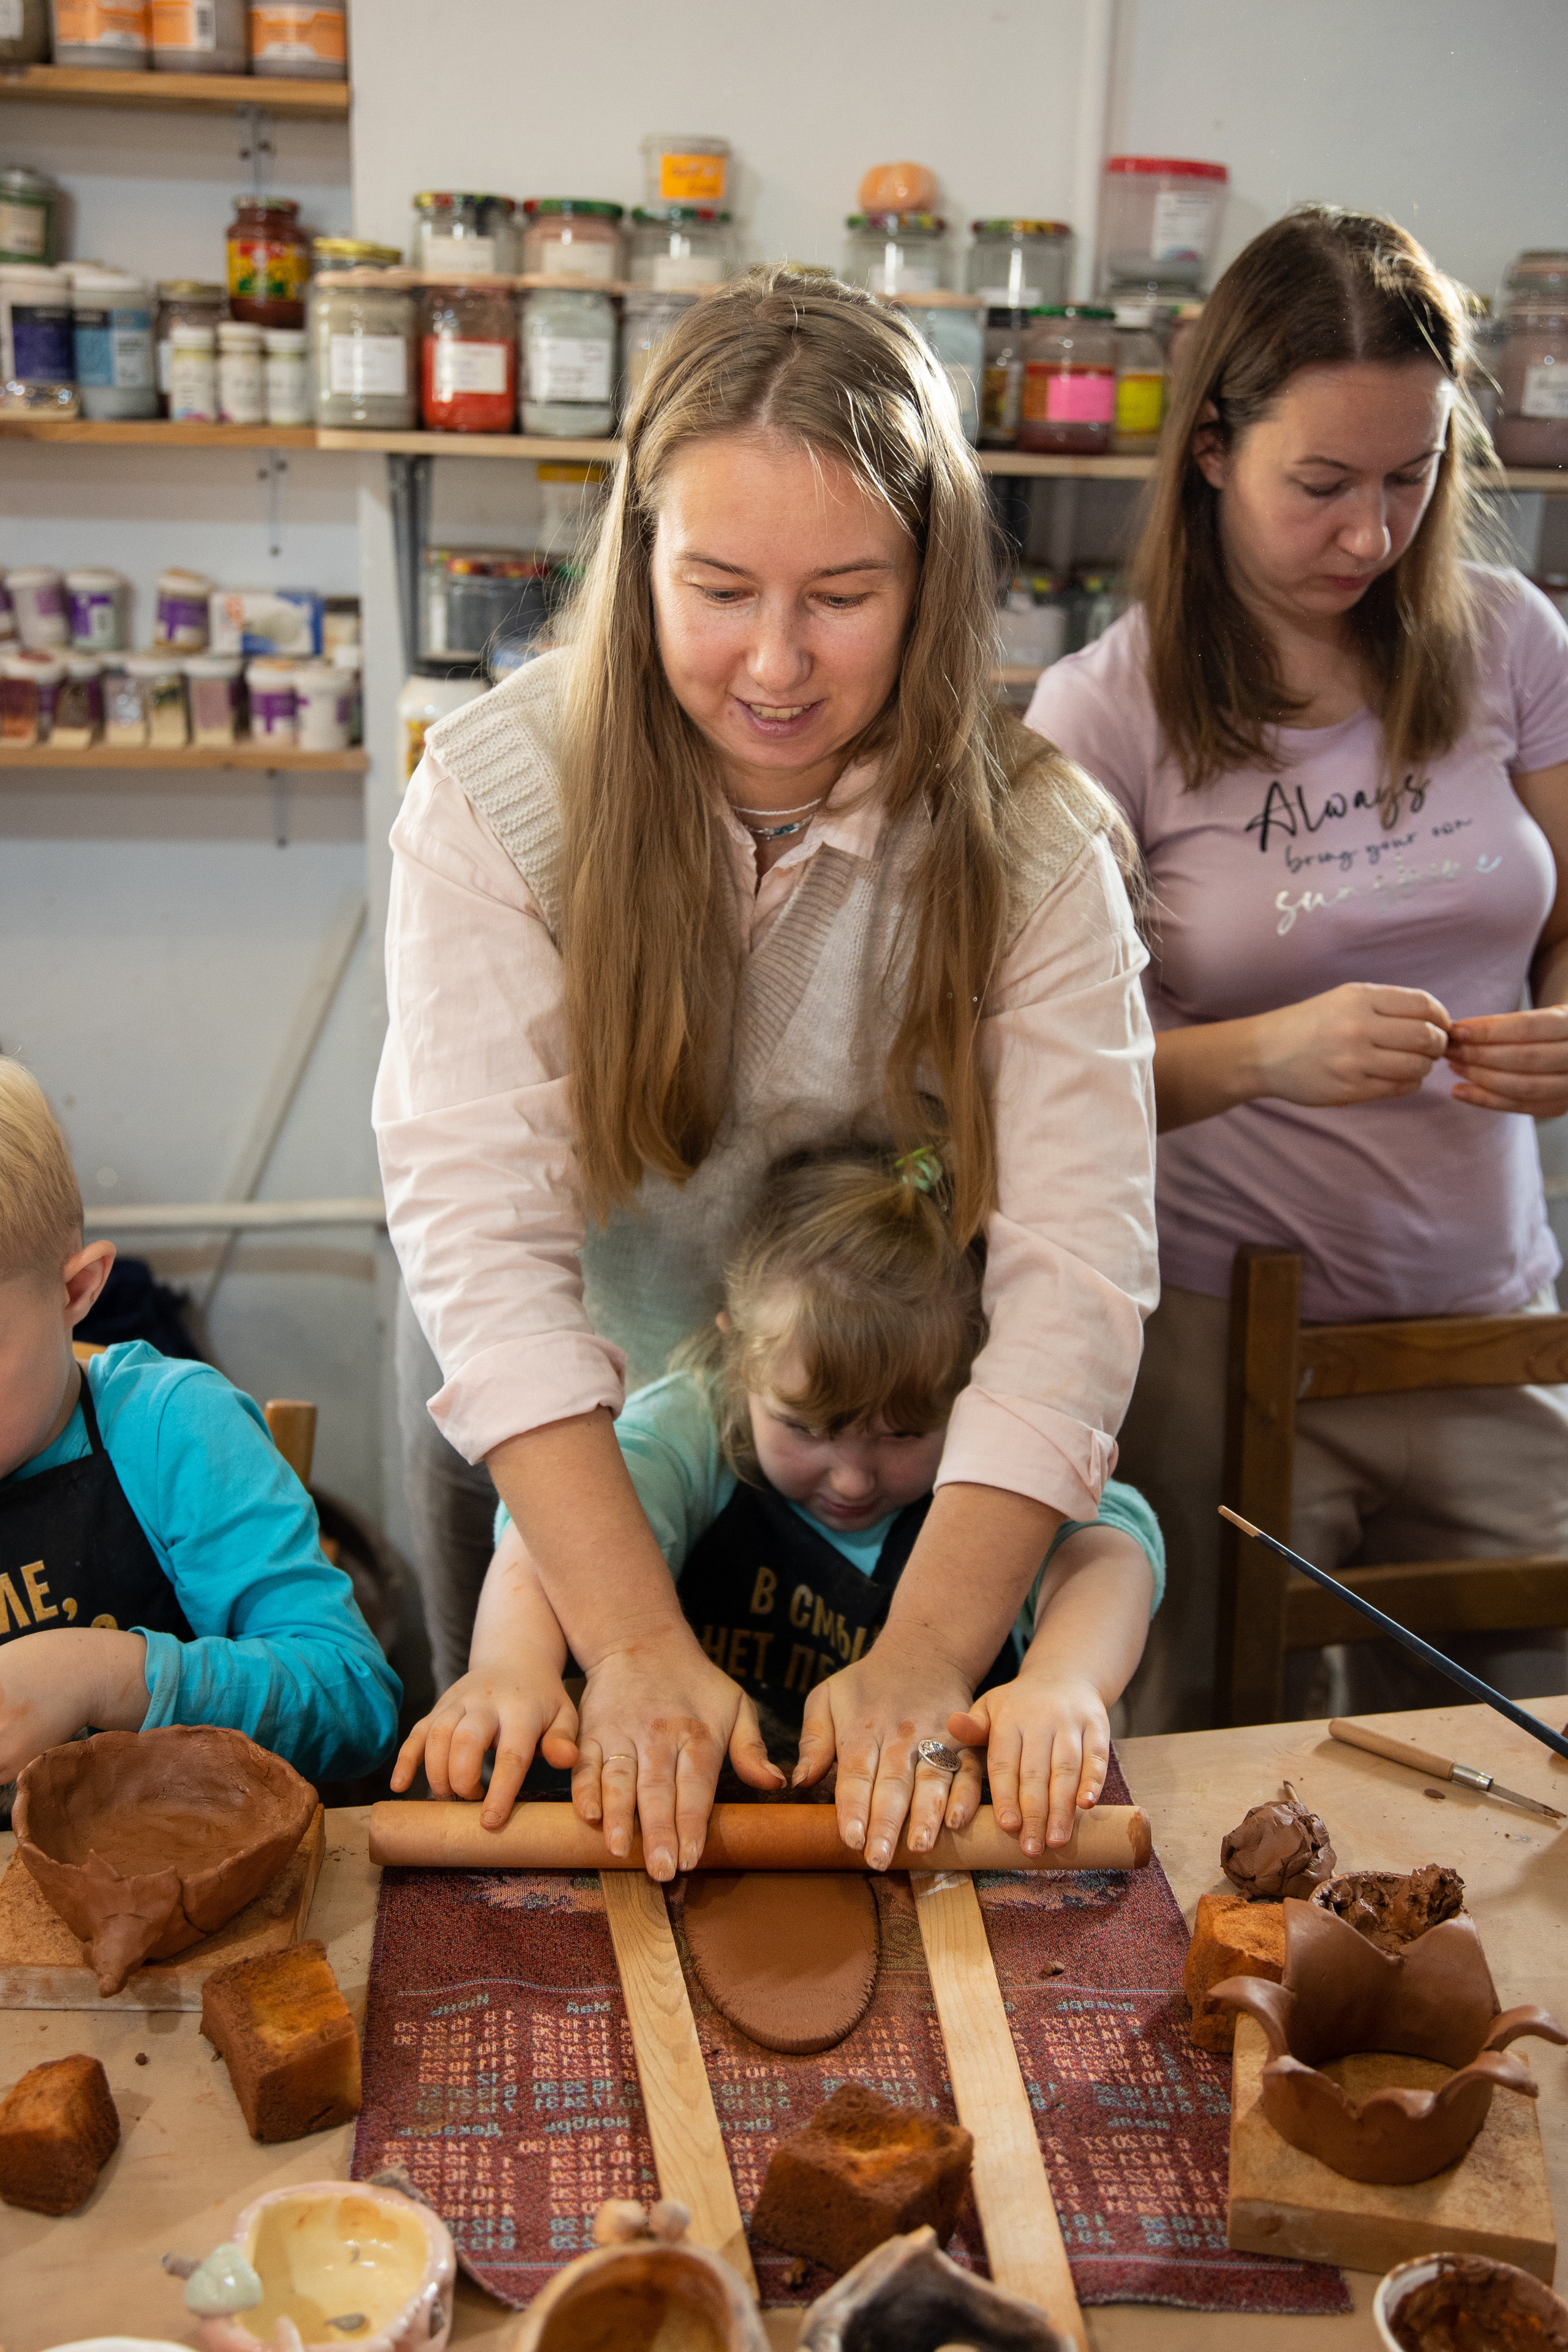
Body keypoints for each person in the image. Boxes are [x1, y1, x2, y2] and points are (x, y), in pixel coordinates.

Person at [375, 267, 1157, 1881]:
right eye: (721, 587)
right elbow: (484, 1244)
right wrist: (626, 1639)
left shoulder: (1036, 844)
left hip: (885, 1466)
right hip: (576, 1474)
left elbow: (1076, 1276)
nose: (778, 664)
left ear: (934, 580)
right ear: (640, 554)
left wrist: (937, 1657)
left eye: (845, 596)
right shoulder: (502, 793)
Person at [1026, 206, 1568, 1732]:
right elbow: (1043, 1084)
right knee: (1214, 1776)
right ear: (1209, 449)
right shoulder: (1098, 716)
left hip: (1484, 1319)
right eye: (1318, 484)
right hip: (1218, 1344)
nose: (1368, 533)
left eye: (1409, 479)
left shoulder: (1513, 642)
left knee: (1525, 1776)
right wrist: (1266, 1051)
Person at [393, 1139, 1163, 1856]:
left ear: (980, 1394)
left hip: (934, 1805)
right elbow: (551, 1532)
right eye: (805, 1428)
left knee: (957, 1794)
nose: (853, 1478)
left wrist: (1063, 1680)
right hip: (703, 1811)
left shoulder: (998, 1463)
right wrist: (510, 1662)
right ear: (737, 1357)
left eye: (902, 1437)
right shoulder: (690, 1429)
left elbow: (1108, 1553)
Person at [0, 1058, 402, 1788]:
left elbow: (355, 1705)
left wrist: (109, 1675)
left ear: (77, 1291)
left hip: (182, 1867)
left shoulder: (171, 1429)